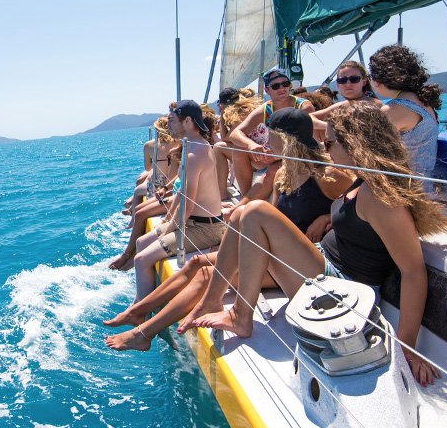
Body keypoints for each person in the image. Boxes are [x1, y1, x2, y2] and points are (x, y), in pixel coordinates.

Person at [184, 102, 447, 387]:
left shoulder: (380, 198)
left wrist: (406, 347)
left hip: (343, 290)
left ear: (355, 144)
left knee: (253, 212)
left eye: (330, 142)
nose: (325, 149)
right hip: (324, 267)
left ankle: (238, 315)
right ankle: (220, 305)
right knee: (241, 214)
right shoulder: (362, 183)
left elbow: (413, 272)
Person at [105, 108, 354, 349]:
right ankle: (140, 315)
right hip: (277, 253)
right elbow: (277, 215)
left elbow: (350, 207)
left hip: (299, 258)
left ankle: (144, 330)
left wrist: (325, 216)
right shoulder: (283, 173)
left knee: (209, 273)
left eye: (271, 135)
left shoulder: (328, 175)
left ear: (286, 139)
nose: (266, 141)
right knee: (198, 266)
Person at [130, 100, 225, 303]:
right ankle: (148, 291)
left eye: (172, 120)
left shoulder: (193, 153)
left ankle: (141, 308)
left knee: (141, 259)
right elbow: (182, 192)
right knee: (140, 242)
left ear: (188, 121)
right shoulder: (194, 145)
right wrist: (167, 223)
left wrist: (169, 228)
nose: (168, 125)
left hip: (204, 228)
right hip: (194, 222)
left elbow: (188, 204)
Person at [226, 68, 314, 198]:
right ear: (267, 90)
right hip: (274, 154)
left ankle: (246, 205)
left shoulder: (303, 107)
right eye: (276, 86)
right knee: (239, 149)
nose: (282, 88)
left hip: (299, 156)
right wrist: (251, 145)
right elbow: (235, 134)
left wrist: (278, 155)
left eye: (285, 84)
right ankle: (245, 197)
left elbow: (307, 140)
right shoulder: (267, 109)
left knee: (273, 171)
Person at [368, 45, 440, 182]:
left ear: (376, 81)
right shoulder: (424, 102)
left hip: (406, 189)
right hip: (425, 185)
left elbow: (369, 152)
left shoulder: (394, 110)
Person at [313, 60, 381, 121]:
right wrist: (329, 127)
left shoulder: (377, 106)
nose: (348, 84)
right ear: (338, 84)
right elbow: (309, 118)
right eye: (342, 80)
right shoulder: (340, 107)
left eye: (354, 79)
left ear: (364, 82)